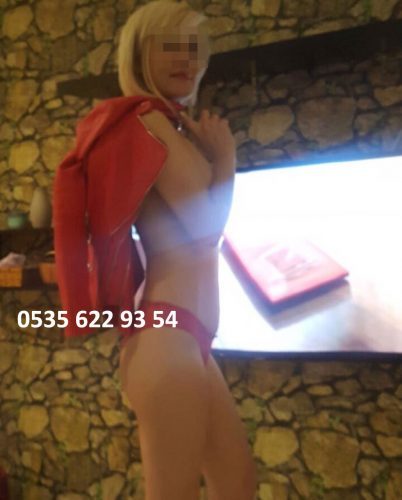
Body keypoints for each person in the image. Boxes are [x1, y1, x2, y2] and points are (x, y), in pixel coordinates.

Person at [116, 1, 257, 499]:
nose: (187, 59)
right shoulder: (145, 121)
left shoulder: (169, 125)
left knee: (237, 484)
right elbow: (205, 229)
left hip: (188, 336)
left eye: (195, 49)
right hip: (167, 333)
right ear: (140, 52)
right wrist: (227, 156)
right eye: (171, 45)